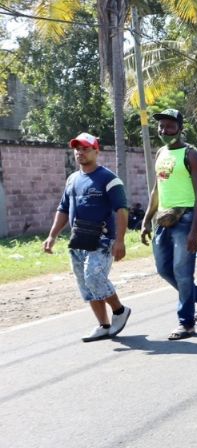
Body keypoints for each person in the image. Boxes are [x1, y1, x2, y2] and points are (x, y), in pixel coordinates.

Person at [43, 132, 132, 342]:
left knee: (94, 276)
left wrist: (120, 240)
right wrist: (52, 235)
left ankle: (119, 311)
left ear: (96, 151)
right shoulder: (72, 179)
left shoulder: (109, 179)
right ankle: (103, 325)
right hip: (78, 240)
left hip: (102, 240)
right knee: (85, 283)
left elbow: (122, 209)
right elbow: (63, 208)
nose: (80, 152)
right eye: (77, 149)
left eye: (85, 148)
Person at [141, 108, 197, 340]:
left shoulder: (190, 154)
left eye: (170, 126)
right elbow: (156, 189)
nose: (164, 130)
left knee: (183, 273)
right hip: (163, 219)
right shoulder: (161, 152)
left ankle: (187, 323)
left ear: (180, 128)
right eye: (161, 126)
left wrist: (195, 231)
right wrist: (146, 220)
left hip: (186, 219)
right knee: (164, 269)